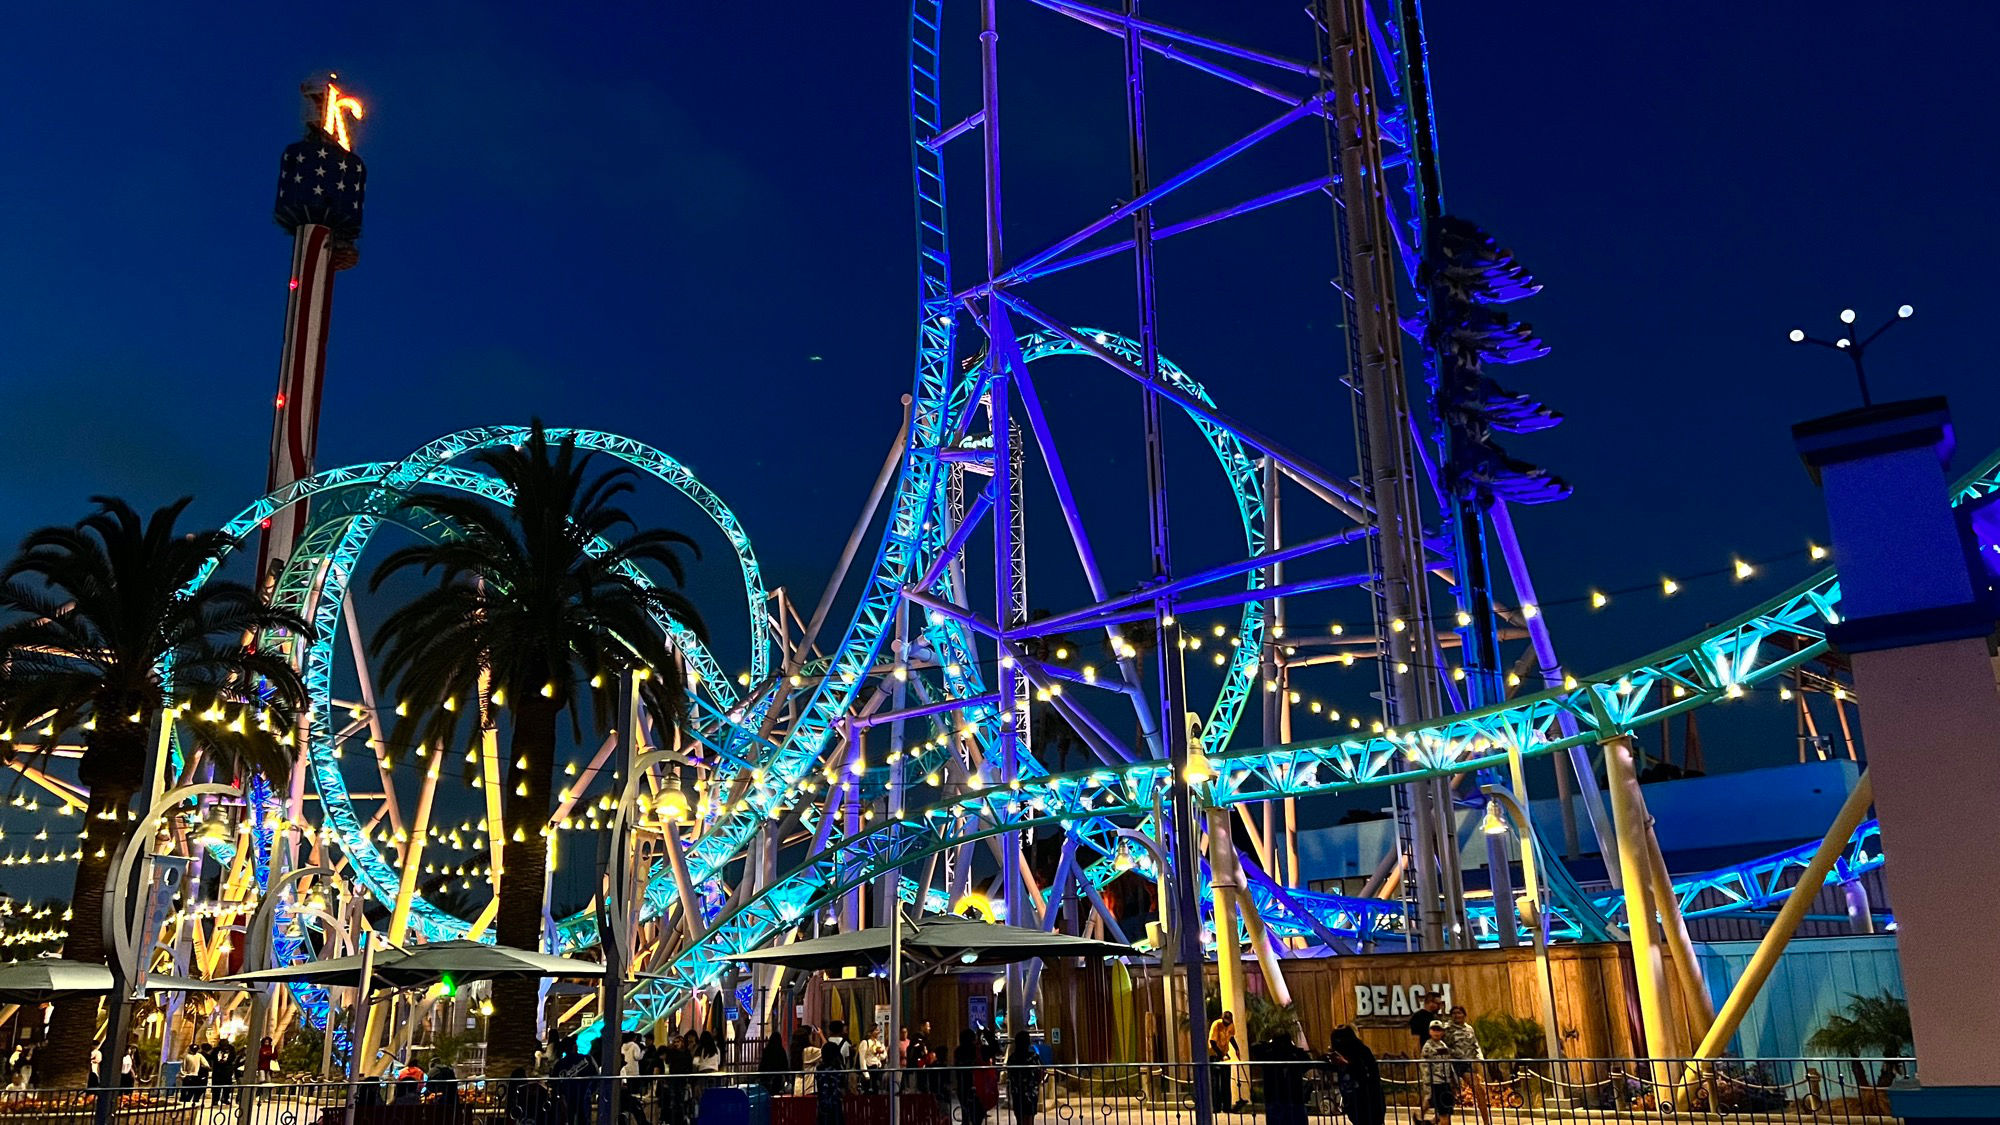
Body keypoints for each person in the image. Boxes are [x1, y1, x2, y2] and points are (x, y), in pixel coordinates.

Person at [1251, 1030, 1312, 1125]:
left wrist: (1270, 1044)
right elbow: (1307, 1062)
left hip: (1279, 1098)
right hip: (1291, 1097)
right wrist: (1291, 1047)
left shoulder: (1269, 1053)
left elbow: (1255, 1047)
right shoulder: (1294, 1053)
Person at [1328, 1026, 1385, 1125]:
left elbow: (1368, 1073)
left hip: (1369, 1102)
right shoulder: (1343, 1054)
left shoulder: (1361, 1051)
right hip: (1353, 1102)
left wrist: (1347, 1064)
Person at [552, 1035, 600, 1121]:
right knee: (584, 1119)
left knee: (570, 1119)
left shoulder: (559, 1064)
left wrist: (561, 1096)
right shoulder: (587, 1059)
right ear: (574, 1046)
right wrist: (591, 1090)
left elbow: (555, 1083)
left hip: (568, 1097)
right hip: (584, 1095)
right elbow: (596, 1076)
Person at [817, 1019, 854, 1125]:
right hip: (839, 1074)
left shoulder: (827, 1042)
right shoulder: (846, 1043)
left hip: (824, 1101)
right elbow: (847, 1060)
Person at [1420, 1022, 1456, 1125]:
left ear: (1443, 1032)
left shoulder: (1443, 1045)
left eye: (1439, 1030)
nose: (1436, 1032)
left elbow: (1449, 1063)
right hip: (1435, 1082)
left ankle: (1425, 1121)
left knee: (1447, 1110)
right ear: (1429, 1031)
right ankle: (1420, 1118)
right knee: (1443, 1112)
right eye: (1434, 1029)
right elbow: (1425, 1066)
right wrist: (1428, 1084)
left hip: (1446, 1081)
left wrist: (1454, 1081)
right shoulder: (1427, 1046)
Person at [1004, 1038, 1044, 1125]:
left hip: (1017, 1092)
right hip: (1031, 1092)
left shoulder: (1012, 1058)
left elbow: (1009, 1074)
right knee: (1030, 1117)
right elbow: (1040, 1073)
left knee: (1019, 1117)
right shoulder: (1034, 1057)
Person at [953, 1029, 986, 1125]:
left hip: (962, 1083)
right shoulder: (974, 1050)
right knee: (975, 1112)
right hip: (973, 1083)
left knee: (966, 1111)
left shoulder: (958, 1051)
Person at [857, 1027, 887, 1093]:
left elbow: (883, 1056)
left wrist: (880, 1053)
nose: (878, 1032)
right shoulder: (865, 1042)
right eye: (876, 1030)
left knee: (877, 1087)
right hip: (869, 1068)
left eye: (878, 1030)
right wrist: (865, 1073)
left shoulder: (879, 1043)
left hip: (877, 1068)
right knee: (868, 1090)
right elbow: (862, 1058)